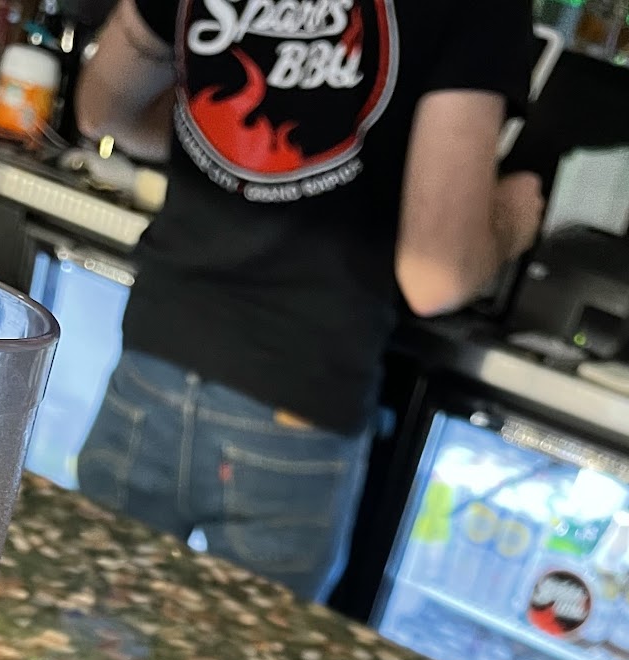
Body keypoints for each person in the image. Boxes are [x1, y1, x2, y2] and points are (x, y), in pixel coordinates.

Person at [74, 0, 544, 603]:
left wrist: (224, 147)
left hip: (153, 363)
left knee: (93, 632)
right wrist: (512, 217)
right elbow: (436, 277)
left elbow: (102, 111)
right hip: (298, 398)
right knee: (247, 658)